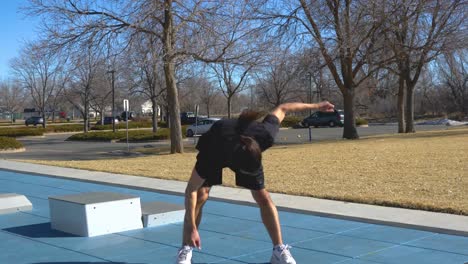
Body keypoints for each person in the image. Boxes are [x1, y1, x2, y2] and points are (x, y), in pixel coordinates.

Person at [176, 101, 335, 264]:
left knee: (263, 198)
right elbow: (191, 190)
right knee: (201, 195)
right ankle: (185, 248)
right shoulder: (213, 151)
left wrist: (316, 106)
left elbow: (283, 108)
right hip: (218, 145)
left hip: (244, 151)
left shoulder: (264, 134)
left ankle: (278, 249)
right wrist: (191, 227)